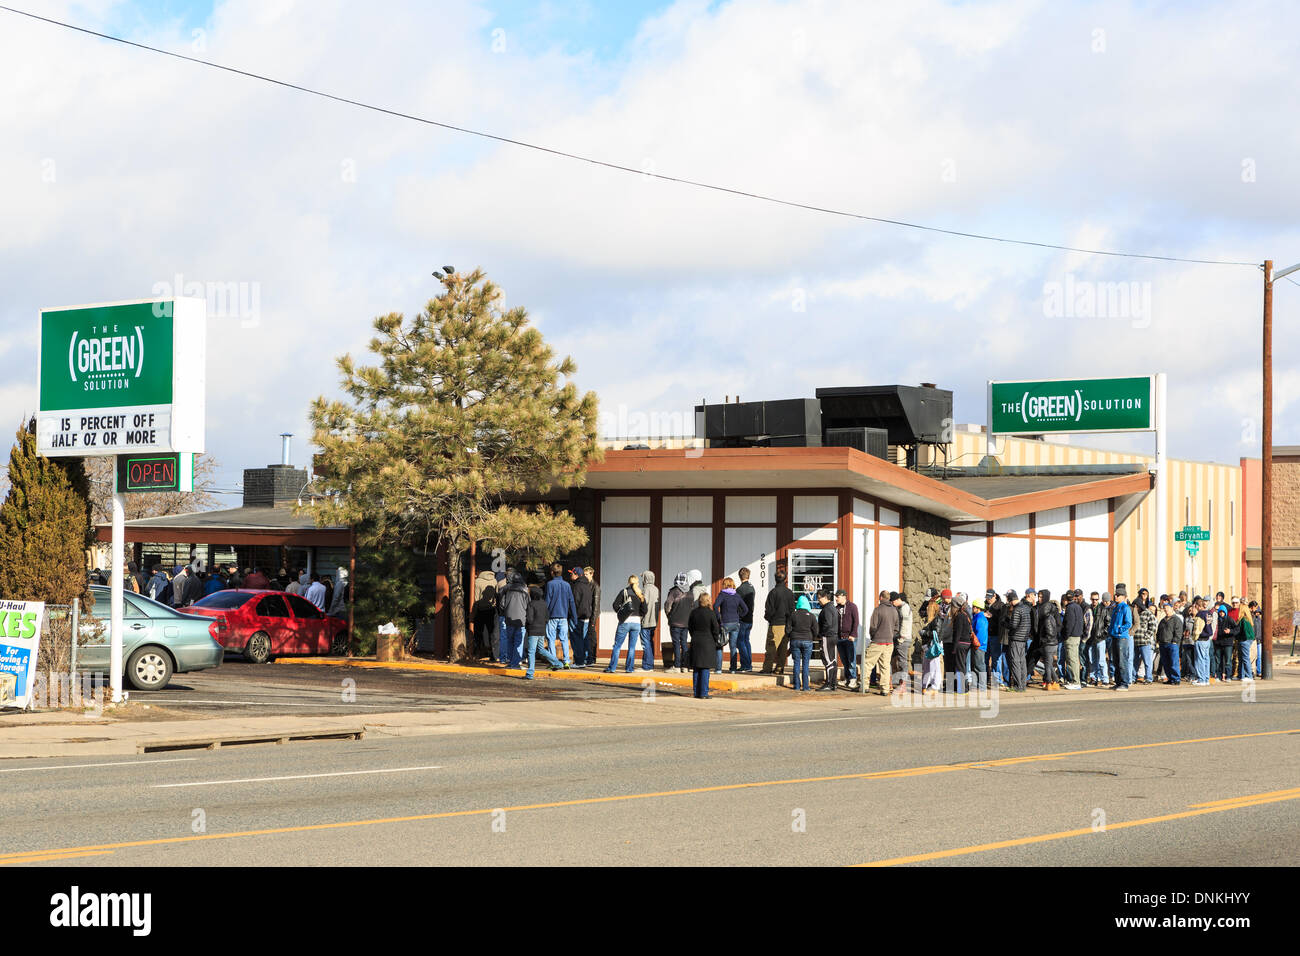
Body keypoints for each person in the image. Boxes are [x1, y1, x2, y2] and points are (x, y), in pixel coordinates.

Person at [523, 583, 567, 679]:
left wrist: (527, 624)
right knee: (541, 649)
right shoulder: (544, 604)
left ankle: (530, 673)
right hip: (542, 630)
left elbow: (529, 619)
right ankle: (558, 663)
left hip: (533, 631)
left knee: (531, 651)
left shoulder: (531, 604)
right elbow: (547, 618)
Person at [606, 575, 647, 674]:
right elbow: (645, 610)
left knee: (617, 645)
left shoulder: (624, 592)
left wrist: (621, 612)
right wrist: (638, 615)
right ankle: (629, 669)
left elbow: (615, 605)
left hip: (625, 621)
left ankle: (612, 668)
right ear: (637, 582)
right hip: (636, 623)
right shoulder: (640, 594)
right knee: (632, 647)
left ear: (628, 582)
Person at [688, 592, 724, 699]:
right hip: (708, 642)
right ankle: (703, 692)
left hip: (696, 640)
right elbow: (715, 629)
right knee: (705, 668)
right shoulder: (711, 613)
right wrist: (714, 640)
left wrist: (694, 635)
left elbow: (690, 627)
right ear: (708, 601)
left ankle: (696, 692)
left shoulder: (693, 613)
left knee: (696, 668)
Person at [864, 591, 897, 697]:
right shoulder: (894, 610)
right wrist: (891, 636)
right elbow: (897, 628)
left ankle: (864, 686)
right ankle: (885, 689)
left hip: (878, 641)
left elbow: (873, 627)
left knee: (867, 664)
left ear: (881, 597)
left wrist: (873, 636)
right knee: (885, 666)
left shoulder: (878, 610)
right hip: (889, 642)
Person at [763, 569, 794, 675]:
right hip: (786, 624)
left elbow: (769, 609)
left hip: (775, 624)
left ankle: (767, 668)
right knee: (783, 649)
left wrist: (769, 618)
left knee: (771, 647)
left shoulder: (773, 593)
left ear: (775, 579)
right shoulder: (789, 593)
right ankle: (779, 668)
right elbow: (792, 610)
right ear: (785, 580)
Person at [545, 562, 576, 666]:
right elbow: (571, 602)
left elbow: (548, 601)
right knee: (564, 639)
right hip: (563, 616)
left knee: (551, 639)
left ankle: (554, 661)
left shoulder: (550, 584)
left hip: (552, 616)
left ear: (552, 572)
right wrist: (574, 617)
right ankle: (567, 661)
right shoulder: (567, 585)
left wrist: (544, 615)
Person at [715, 577, 749, 673]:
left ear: (724, 585)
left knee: (720, 645)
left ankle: (718, 669)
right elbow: (746, 609)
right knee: (733, 647)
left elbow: (715, 606)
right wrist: (739, 617)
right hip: (735, 623)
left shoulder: (722, 594)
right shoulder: (736, 595)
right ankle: (733, 669)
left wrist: (718, 618)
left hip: (725, 623)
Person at [787, 595, 819, 691]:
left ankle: (796, 686)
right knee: (806, 664)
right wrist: (812, 637)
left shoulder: (793, 615)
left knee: (796, 663)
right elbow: (816, 630)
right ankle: (806, 687)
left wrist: (791, 637)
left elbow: (788, 629)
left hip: (795, 641)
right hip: (807, 641)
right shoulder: (812, 616)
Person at [664, 572, 693, 674]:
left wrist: (669, 616)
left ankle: (677, 666)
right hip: (686, 623)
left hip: (675, 622)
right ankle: (685, 666)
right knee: (684, 644)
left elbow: (667, 605)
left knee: (676, 644)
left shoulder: (674, 591)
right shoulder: (690, 592)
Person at [500, 571, 530, 669]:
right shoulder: (525, 590)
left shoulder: (507, 589)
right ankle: (516, 663)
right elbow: (528, 605)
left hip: (509, 618)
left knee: (510, 640)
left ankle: (510, 661)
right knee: (519, 641)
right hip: (521, 619)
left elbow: (502, 605)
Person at [1004, 590, 1031, 692]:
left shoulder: (1017, 609)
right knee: (1022, 661)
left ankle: (1017, 685)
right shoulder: (1025, 608)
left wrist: (1005, 623)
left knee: (1015, 662)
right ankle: (1023, 684)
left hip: (1016, 638)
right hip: (1023, 639)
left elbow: (1013, 625)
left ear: (1011, 600)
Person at [1109, 583, 1134, 690]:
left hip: (1122, 637)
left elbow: (1128, 623)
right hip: (1114, 636)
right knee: (1115, 660)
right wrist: (1111, 630)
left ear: (1123, 597)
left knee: (1122, 661)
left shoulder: (1125, 608)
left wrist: (1119, 629)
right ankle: (1118, 682)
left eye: (1118, 595)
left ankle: (1124, 683)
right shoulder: (1115, 607)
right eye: (1115, 595)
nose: (1116, 597)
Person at [835, 589, 861, 690]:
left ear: (844, 596)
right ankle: (847, 678)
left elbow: (856, 621)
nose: (836, 598)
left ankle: (853, 679)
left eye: (838, 596)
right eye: (836, 596)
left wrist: (853, 634)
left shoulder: (852, 607)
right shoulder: (836, 608)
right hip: (839, 638)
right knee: (844, 660)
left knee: (851, 659)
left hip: (850, 638)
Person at [570, 566, 595, 669]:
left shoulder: (577, 586)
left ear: (576, 575)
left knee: (577, 639)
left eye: (572, 573)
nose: (570, 575)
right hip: (586, 616)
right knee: (584, 639)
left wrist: (573, 615)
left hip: (578, 616)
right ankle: (588, 659)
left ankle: (579, 661)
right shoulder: (587, 585)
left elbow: (575, 602)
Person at [816, 589, 840, 691]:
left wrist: (821, 634)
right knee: (832, 660)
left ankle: (829, 684)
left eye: (819, 598)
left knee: (828, 660)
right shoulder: (833, 608)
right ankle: (833, 683)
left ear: (825, 597)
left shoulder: (827, 609)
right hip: (833, 636)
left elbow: (828, 624)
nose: (818, 600)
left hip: (827, 636)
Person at [1156, 595, 1183, 684]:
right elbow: (1159, 631)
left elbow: (1179, 632)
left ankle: (1176, 679)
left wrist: (1175, 641)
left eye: (1167, 608)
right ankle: (1170, 678)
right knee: (1166, 663)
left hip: (1172, 644)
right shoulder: (1163, 620)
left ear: (1171, 608)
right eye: (1165, 608)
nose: (1166, 610)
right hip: (1163, 643)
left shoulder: (1176, 620)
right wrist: (1158, 640)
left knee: (1174, 662)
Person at [1132, 592, 1158, 684]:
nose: (1134, 607)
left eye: (1135, 605)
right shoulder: (1134, 614)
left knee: (1147, 661)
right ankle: (1133, 677)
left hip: (1144, 642)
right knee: (1134, 661)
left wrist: (1147, 636)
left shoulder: (1147, 613)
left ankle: (1148, 678)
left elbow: (1153, 626)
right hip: (1135, 641)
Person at [950, 592, 974, 694]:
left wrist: (954, 648)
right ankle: (964, 687)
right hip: (967, 643)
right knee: (963, 665)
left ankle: (962, 688)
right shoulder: (966, 613)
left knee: (960, 666)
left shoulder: (959, 616)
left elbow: (958, 633)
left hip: (961, 643)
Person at [638, 571, 661, 671]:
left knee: (645, 643)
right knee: (650, 642)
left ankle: (647, 666)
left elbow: (643, 606)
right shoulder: (656, 589)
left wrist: (640, 618)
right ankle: (649, 664)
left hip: (646, 620)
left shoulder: (645, 589)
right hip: (654, 620)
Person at [735, 568, 756, 673]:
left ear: (740, 576)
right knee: (746, 641)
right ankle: (749, 664)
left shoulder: (740, 589)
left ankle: (746, 665)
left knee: (740, 642)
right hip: (750, 618)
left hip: (742, 619)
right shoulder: (752, 588)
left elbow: (737, 605)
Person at [891, 591, 913, 695]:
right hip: (902, 638)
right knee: (899, 661)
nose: (891, 604)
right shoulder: (902, 607)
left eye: (892, 601)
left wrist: (901, 638)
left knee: (902, 662)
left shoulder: (904, 608)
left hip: (903, 639)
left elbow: (905, 624)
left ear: (896, 600)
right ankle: (900, 683)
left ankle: (903, 686)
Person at [983, 589, 1005, 689]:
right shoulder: (985, 605)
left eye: (990, 598)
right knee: (985, 658)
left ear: (994, 596)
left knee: (996, 659)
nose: (988, 600)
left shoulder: (1000, 605)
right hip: (986, 635)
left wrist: (992, 617)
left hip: (995, 635)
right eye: (987, 598)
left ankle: (997, 680)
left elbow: (1002, 620)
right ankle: (986, 679)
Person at [971, 598, 990, 691]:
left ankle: (982, 686)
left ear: (977, 608)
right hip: (977, 645)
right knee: (975, 666)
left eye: (973, 607)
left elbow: (981, 634)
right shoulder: (977, 617)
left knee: (980, 666)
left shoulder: (980, 618)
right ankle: (975, 685)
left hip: (979, 646)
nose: (972, 608)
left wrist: (977, 644)